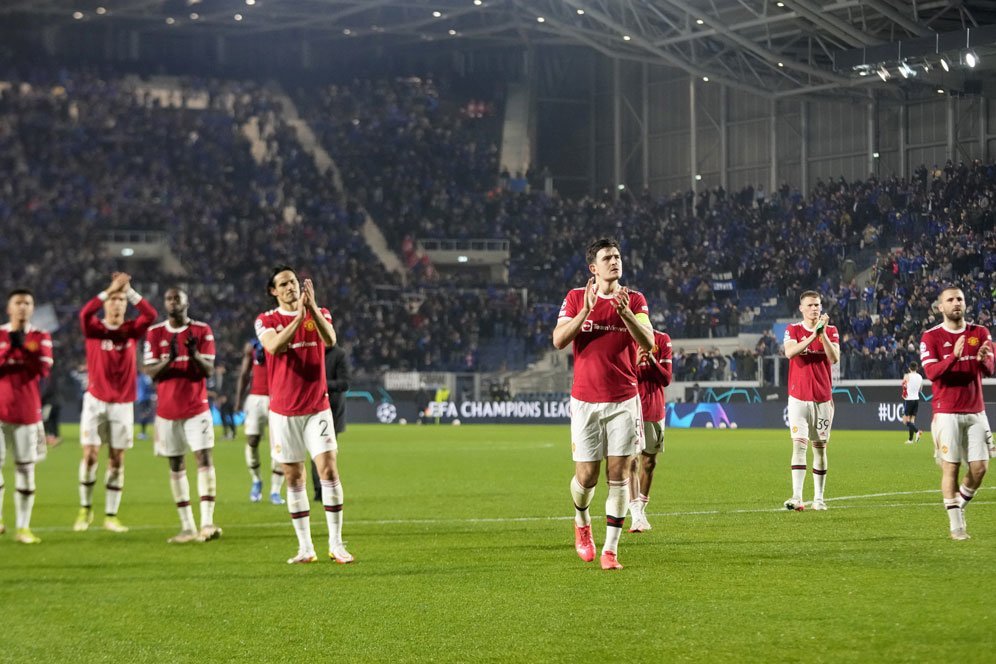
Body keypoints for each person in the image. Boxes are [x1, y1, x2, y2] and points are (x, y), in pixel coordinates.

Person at [553, 238, 653, 570]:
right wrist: (585, 309)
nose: (614, 260)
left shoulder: (634, 299)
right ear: (593, 268)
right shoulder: (574, 298)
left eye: (618, 256)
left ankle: (610, 550)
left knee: (620, 473)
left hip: (624, 399)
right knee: (586, 476)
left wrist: (625, 314)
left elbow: (649, 342)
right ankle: (582, 521)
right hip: (584, 400)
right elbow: (558, 341)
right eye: (607, 257)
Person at [255, 266, 353, 565]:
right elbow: (273, 346)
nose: (290, 287)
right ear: (273, 291)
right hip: (283, 412)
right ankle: (305, 547)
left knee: (329, 471)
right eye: (283, 284)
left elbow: (331, 340)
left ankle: (336, 544)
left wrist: (311, 311)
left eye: (293, 282)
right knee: (294, 477)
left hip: (317, 408)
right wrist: (298, 318)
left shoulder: (319, 312)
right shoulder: (266, 320)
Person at [75, 272, 157, 533]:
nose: (118, 303)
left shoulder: (131, 330)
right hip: (95, 401)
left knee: (117, 459)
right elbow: (84, 313)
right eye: (114, 299)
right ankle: (85, 509)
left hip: (122, 403)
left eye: (122, 300)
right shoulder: (94, 329)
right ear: (106, 303)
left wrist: (130, 291)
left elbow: (151, 316)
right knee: (89, 456)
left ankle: (111, 515)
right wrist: (109, 289)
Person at [144, 288, 221, 544]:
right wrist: (172, 360)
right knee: (176, 465)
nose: (173, 302)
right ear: (164, 303)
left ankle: (207, 523)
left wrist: (194, 354)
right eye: (169, 298)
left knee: (204, 458)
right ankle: (187, 527)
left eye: (177, 297)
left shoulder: (202, 330)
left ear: (187, 302)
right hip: (167, 412)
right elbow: (151, 371)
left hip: (196, 408)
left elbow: (208, 370)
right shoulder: (155, 333)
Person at [920, 286, 994, 540]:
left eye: (960, 299)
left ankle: (957, 505)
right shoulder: (931, 337)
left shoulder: (980, 332)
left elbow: (991, 368)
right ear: (941, 307)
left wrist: (984, 359)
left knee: (980, 468)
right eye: (950, 300)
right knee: (950, 468)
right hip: (946, 412)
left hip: (975, 410)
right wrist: (954, 356)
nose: (956, 303)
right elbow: (931, 373)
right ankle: (956, 526)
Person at [0, 288, 53, 543]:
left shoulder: (40, 336)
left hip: (27, 413)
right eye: (18, 302)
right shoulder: (0, 334)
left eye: (27, 303)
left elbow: (43, 369)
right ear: (9, 308)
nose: (22, 307)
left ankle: (23, 528)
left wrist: (25, 351)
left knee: (25, 469)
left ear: (32, 308)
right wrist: (11, 350)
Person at [782, 290, 840, 512]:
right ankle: (797, 497)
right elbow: (790, 353)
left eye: (818, 304)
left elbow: (834, 358)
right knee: (798, 445)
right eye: (811, 305)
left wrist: (822, 334)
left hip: (823, 399)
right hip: (798, 398)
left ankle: (819, 498)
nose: (815, 308)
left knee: (820, 449)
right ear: (801, 308)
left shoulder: (831, 331)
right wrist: (812, 336)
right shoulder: (793, 330)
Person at [628, 329, 673, 533]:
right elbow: (620, 374)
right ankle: (635, 513)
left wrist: (652, 360)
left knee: (649, 462)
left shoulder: (661, 340)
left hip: (654, 409)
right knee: (632, 461)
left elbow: (666, 379)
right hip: (630, 408)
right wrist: (635, 362)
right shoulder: (626, 338)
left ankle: (641, 511)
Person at [235, 337, 285, 504]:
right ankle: (256, 481)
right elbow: (243, 373)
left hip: (278, 397)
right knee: (252, 440)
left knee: (279, 443)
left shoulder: (282, 342)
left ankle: (275, 491)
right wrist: (238, 400)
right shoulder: (253, 346)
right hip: (256, 398)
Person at [311, 343, 350, 502]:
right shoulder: (311, 351)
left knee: (327, 452)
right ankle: (319, 490)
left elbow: (344, 384)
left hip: (332, 411)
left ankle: (327, 486)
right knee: (315, 451)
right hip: (312, 409)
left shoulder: (339, 355)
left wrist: (322, 384)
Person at [900, 361, 923, 444]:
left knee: (905, 421)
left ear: (909, 368)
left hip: (909, 399)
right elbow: (920, 389)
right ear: (917, 368)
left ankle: (917, 432)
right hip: (916, 399)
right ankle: (910, 440)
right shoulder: (920, 377)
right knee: (912, 420)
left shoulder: (907, 376)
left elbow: (903, 385)